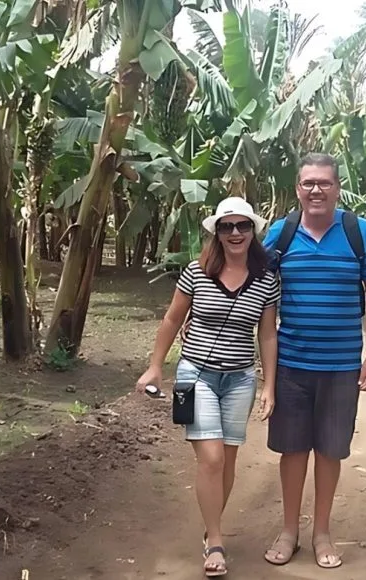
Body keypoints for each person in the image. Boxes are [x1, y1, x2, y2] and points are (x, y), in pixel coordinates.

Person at [135, 196, 281, 577]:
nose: (235, 233)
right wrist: (155, 367)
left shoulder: (267, 278)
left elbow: (267, 335)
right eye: (227, 227)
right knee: (211, 459)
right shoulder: (196, 272)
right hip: (193, 375)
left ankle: (210, 527)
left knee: (227, 461)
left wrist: (269, 385)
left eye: (242, 226)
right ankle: (215, 542)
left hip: (240, 379)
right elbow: (171, 320)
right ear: (217, 233)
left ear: (253, 231)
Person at [261, 153, 366, 569]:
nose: (316, 190)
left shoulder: (358, 232)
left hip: (341, 368)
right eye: (308, 183)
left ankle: (322, 533)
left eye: (324, 183)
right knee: (293, 451)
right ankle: (288, 531)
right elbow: (257, 290)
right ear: (297, 188)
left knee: (330, 451)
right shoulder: (281, 234)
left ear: (337, 188)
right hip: (292, 366)